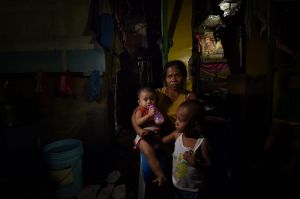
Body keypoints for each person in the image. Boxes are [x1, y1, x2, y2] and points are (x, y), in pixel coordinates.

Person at [131, 60, 198, 186]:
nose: (173, 79)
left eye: (177, 75)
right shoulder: (156, 94)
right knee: (148, 170)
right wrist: (139, 131)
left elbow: (192, 122)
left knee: (180, 172)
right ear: (165, 79)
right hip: (153, 138)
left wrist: (166, 139)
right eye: (169, 76)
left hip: (176, 141)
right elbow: (135, 113)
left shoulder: (189, 97)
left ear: (184, 77)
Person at [162, 100, 210, 199]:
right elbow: (161, 142)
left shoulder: (201, 142)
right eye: (176, 118)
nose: (176, 122)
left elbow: (209, 165)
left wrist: (195, 164)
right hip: (176, 183)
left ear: (194, 123)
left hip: (192, 189)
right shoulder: (176, 135)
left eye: (180, 120)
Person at [133, 86, 166, 186]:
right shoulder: (140, 111)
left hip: (155, 136)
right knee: (149, 153)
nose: (149, 102)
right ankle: (160, 175)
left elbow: (160, 122)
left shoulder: (155, 110)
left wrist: (158, 117)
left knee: (164, 151)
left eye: (152, 99)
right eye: (145, 99)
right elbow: (138, 122)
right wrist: (148, 115)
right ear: (139, 102)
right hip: (143, 137)